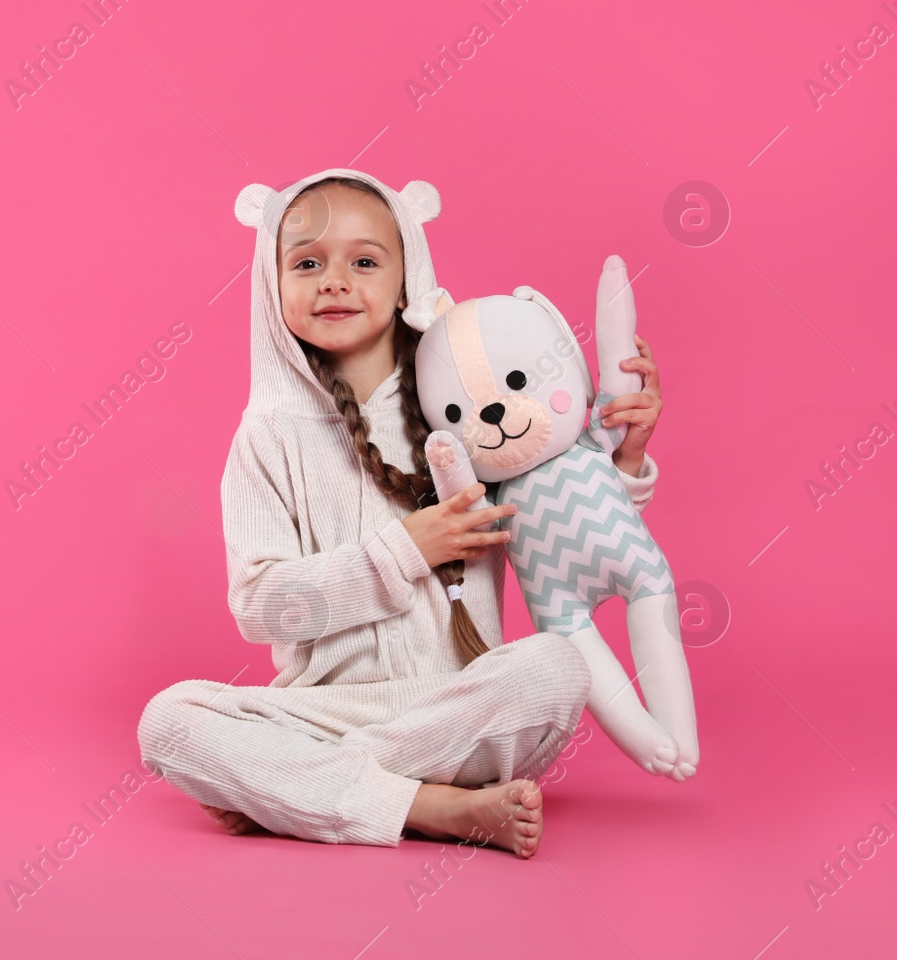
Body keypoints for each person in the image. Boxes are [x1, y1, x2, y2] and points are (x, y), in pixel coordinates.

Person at [137, 170, 666, 856]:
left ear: (408, 273)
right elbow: (260, 607)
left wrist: (625, 460)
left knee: (557, 667)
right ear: (271, 286)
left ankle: (296, 790)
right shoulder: (266, 434)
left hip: (462, 705)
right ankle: (427, 806)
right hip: (326, 711)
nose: (334, 280)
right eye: (306, 263)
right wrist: (403, 551)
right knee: (168, 721)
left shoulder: (461, 403)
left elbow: (560, 521)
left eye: (363, 261)